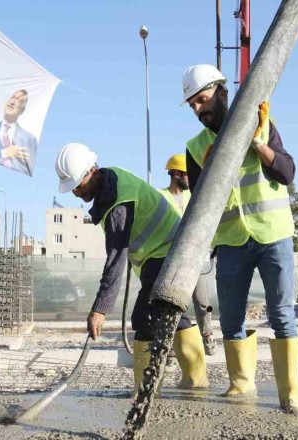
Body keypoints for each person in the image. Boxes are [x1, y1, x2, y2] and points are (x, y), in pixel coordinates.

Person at [181, 64, 298, 414]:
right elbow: (199, 204)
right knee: (231, 317)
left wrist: (260, 145)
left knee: (281, 314)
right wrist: (206, 170)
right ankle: (240, 384)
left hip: (272, 233)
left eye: (202, 100)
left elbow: (288, 172)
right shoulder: (195, 147)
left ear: (221, 92)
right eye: (192, 105)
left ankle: (291, 395)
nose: (198, 109)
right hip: (232, 241)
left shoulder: (260, 123)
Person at [54, 143, 208, 394]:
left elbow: (116, 257)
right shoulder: (111, 179)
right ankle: (194, 379)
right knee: (169, 312)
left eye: (78, 186)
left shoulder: (118, 202)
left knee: (145, 317)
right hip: (164, 252)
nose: (75, 193)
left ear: (91, 171)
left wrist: (100, 309)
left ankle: (147, 390)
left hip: (168, 252)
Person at [157, 154, 217, 356]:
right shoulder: (160, 197)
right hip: (170, 261)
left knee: (202, 302)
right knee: (172, 306)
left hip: (193, 259)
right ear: (175, 174)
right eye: (187, 174)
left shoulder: (194, 196)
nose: (190, 178)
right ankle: (171, 348)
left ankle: (207, 337)